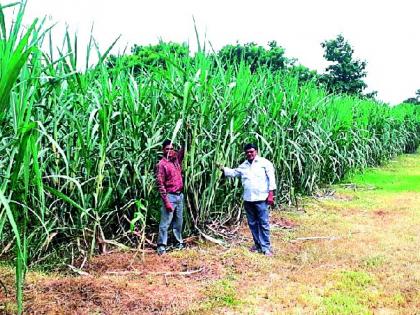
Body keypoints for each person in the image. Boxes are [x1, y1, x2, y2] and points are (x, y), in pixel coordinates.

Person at [221, 143, 276, 256]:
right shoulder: (244, 165)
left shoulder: (264, 163)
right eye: (247, 152)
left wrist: (271, 194)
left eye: (252, 151)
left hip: (261, 198)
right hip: (248, 199)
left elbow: (272, 179)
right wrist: (221, 168)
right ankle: (257, 245)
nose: (249, 154)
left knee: (263, 223)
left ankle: (266, 247)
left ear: (256, 151)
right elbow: (234, 173)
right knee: (252, 223)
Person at [155, 139, 185, 255]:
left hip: (179, 196)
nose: (170, 151)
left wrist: (188, 133)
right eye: (167, 149)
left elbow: (185, 148)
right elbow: (160, 185)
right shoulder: (161, 165)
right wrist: (166, 201)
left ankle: (179, 243)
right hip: (170, 196)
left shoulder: (176, 160)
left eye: (171, 149)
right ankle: (161, 246)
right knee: (165, 223)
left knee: (179, 222)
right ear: (163, 150)